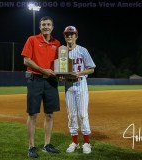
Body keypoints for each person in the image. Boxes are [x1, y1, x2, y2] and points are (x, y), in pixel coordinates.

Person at [21, 16, 61, 158]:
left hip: (51, 82)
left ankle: (47, 145)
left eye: (48, 24)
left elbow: (59, 64)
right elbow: (26, 60)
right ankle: (31, 146)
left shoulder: (57, 43)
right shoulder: (32, 39)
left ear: (52, 27)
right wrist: (43, 70)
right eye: (43, 24)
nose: (46, 27)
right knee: (33, 115)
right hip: (35, 80)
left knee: (49, 114)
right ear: (40, 27)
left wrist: (62, 73)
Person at [62, 26, 96, 154]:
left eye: (72, 34)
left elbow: (91, 68)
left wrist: (79, 73)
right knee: (71, 115)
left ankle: (86, 143)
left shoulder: (82, 50)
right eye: (67, 34)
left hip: (81, 84)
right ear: (64, 36)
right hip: (68, 85)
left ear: (76, 36)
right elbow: (61, 69)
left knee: (82, 114)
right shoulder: (62, 52)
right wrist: (60, 75)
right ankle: (75, 142)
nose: (69, 36)